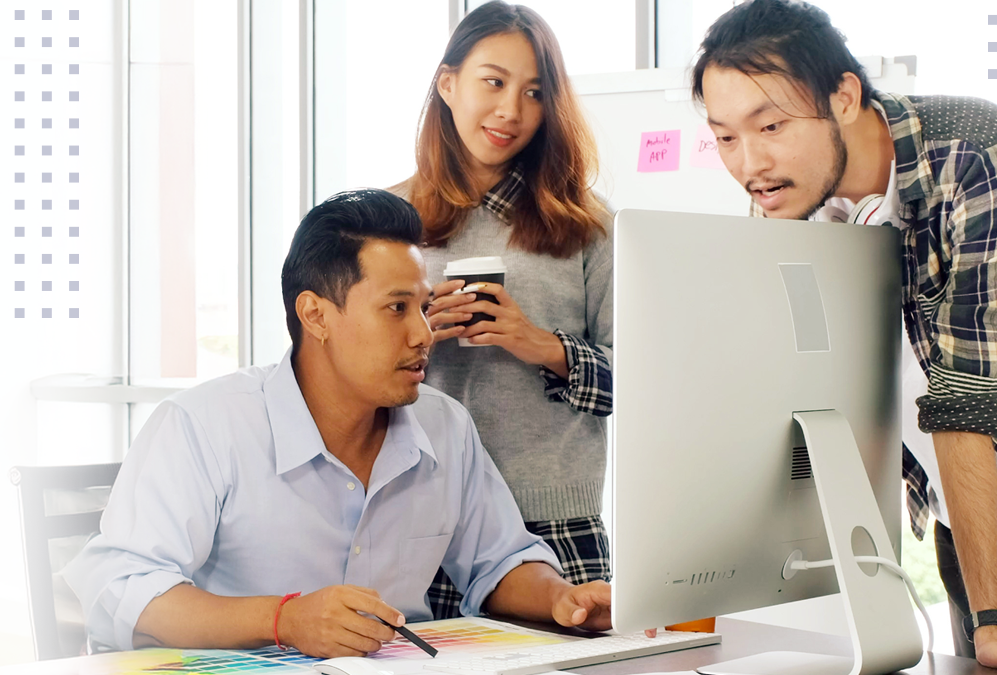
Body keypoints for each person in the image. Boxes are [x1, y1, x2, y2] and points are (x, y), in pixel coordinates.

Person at [690, 2, 997, 674]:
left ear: (843, 96)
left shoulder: (980, 156)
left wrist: (989, 622)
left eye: (772, 125)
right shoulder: (795, 194)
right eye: (725, 137)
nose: (749, 164)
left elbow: (964, 391)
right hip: (970, 498)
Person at [63, 189, 616, 657]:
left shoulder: (445, 425)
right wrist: (284, 620)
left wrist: (560, 599)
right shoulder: (202, 425)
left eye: (424, 308)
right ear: (316, 315)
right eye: (397, 308)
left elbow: (499, 561)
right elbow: (123, 587)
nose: (424, 334)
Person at [388, 1, 613, 620]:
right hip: (411, 522)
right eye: (494, 82)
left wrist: (541, 344)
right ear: (447, 83)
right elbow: (330, 376)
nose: (512, 111)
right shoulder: (385, 220)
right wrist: (413, 334)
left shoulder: (590, 226)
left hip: (557, 525)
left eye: (535, 92)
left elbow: (645, 384)